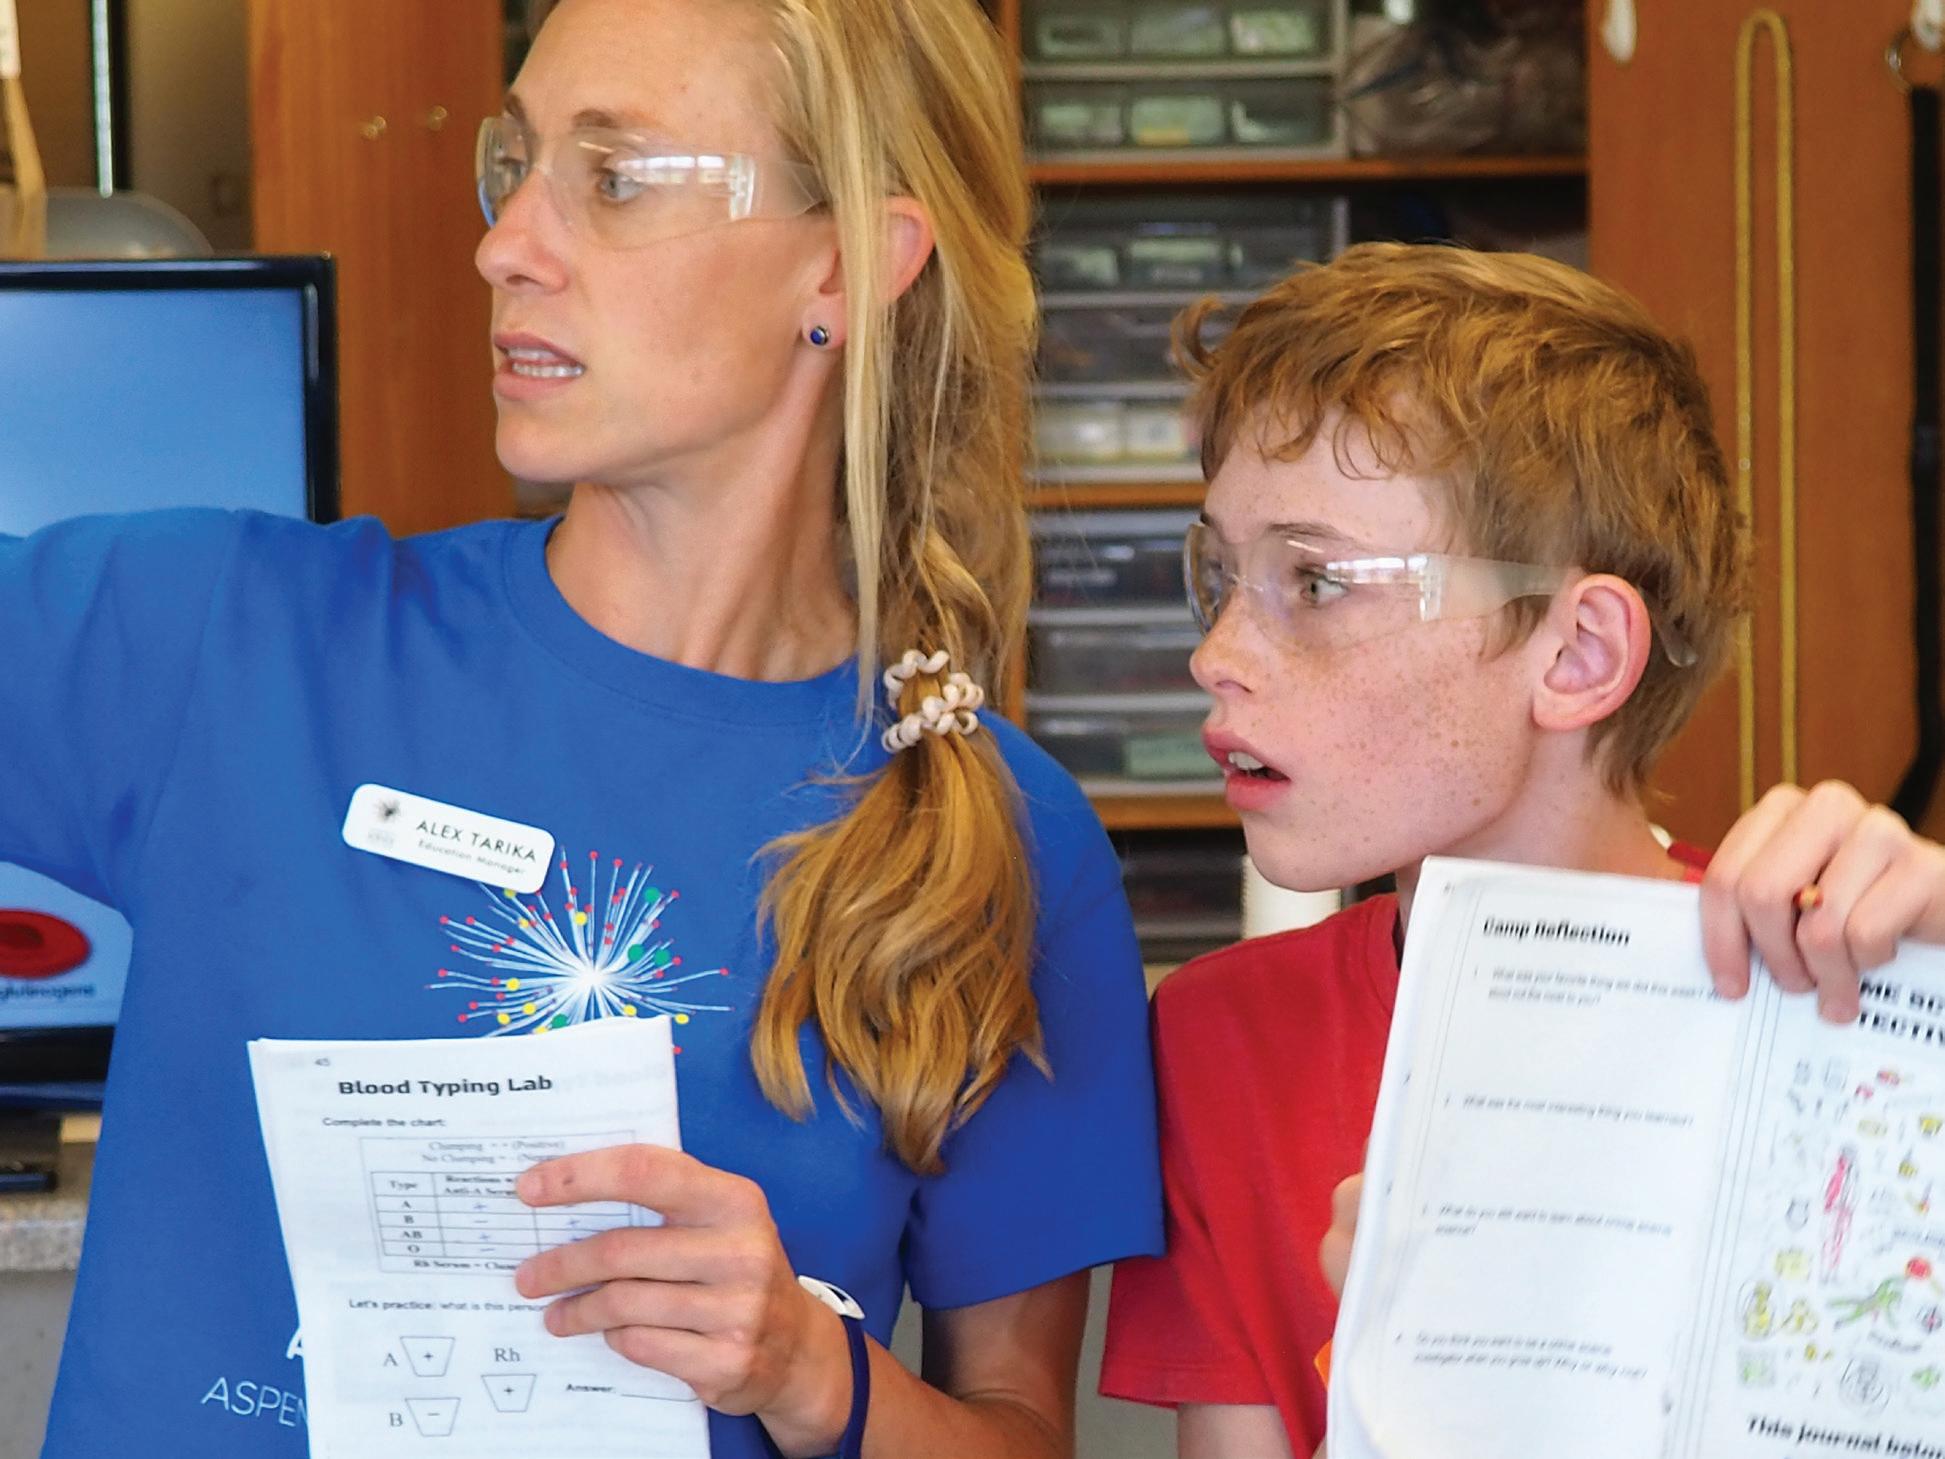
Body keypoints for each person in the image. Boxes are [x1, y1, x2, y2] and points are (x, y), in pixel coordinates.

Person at [10, 1, 1163, 1454]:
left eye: (613, 178)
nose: (506, 244)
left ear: (847, 265)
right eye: (517, 163)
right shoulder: (219, 640)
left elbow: (1018, 1430)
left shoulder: (1005, 841)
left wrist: (814, 1369)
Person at [1096, 242, 1945, 1459]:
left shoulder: (1837, 987)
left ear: (1578, 653)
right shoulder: (1223, 1034)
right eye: (1221, 575)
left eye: (1317, 582)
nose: (1215, 654)